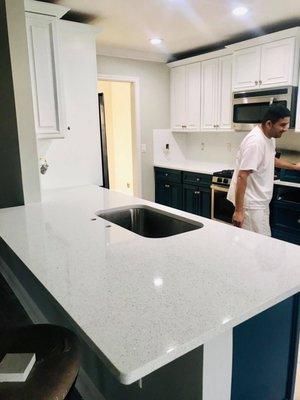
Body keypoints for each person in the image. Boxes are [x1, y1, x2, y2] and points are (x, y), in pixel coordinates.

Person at [227, 105, 300, 236]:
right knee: (252, 248)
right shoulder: (255, 142)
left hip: (260, 203)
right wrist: (239, 211)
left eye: (287, 125)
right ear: (269, 124)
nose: (285, 129)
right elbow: (242, 176)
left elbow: (270, 159)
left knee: (262, 245)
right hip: (251, 206)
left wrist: (294, 166)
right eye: (282, 125)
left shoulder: (269, 137)